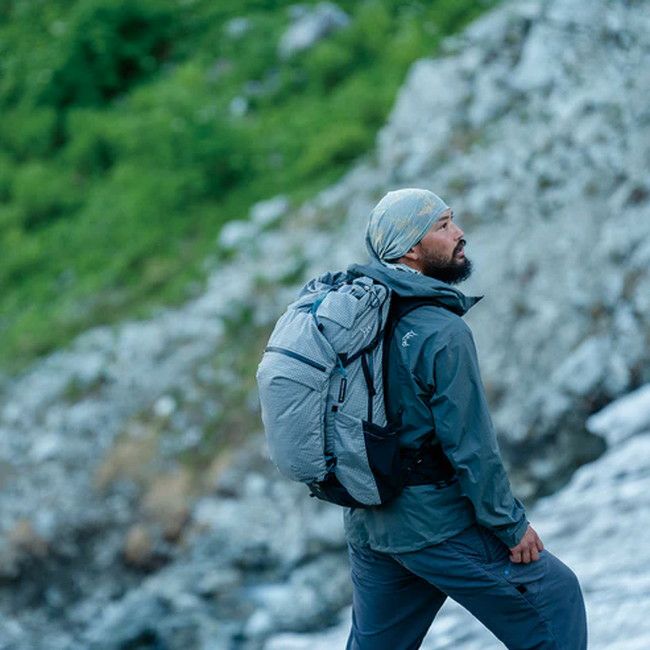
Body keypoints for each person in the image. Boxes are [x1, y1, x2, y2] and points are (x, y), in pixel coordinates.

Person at [343, 188, 588, 649]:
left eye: (452, 220)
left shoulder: (357, 318)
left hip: (370, 525)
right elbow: (471, 446)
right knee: (555, 597)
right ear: (410, 250)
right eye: (442, 226)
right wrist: (510, 526)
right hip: (431, 524)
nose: (459, 233)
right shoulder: (441, 331)